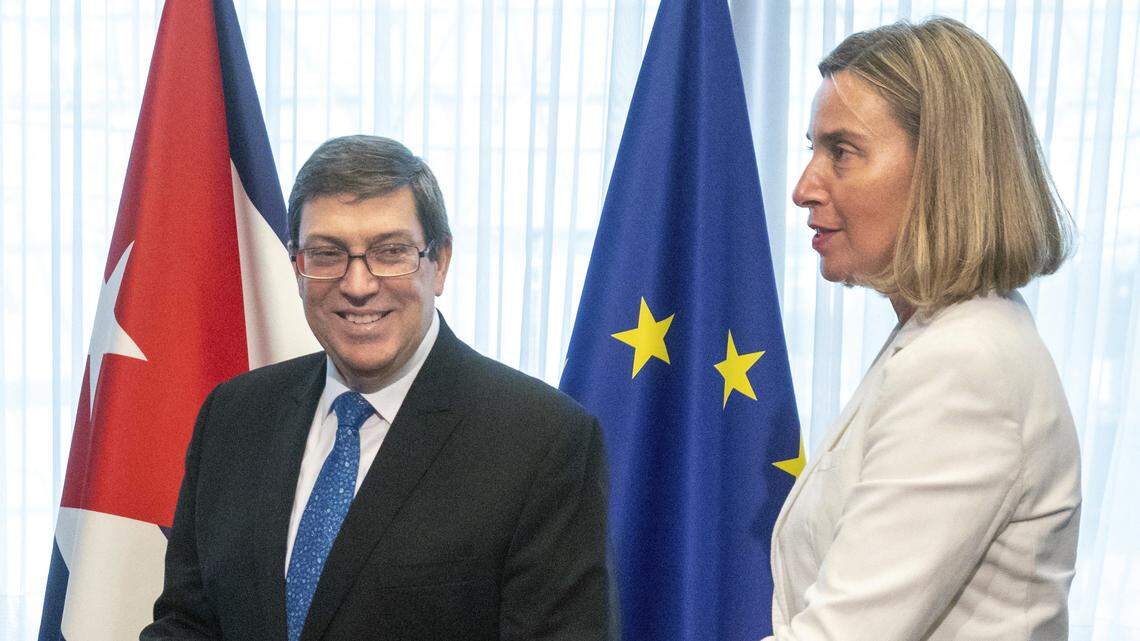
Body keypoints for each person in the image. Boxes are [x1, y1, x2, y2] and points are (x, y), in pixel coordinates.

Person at [141, 135, 608, 641]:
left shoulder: (542, 442)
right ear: (297, 266)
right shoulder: (233, 416)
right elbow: (186, 623)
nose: (358, 285)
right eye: (326, 254)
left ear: (440, 262)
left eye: (390, 252)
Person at [766, 17, 1080, 641]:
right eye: (812, 150)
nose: (805, 188)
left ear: (943, 168)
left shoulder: (966, 364)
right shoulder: (946, 336)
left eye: (842, 152)